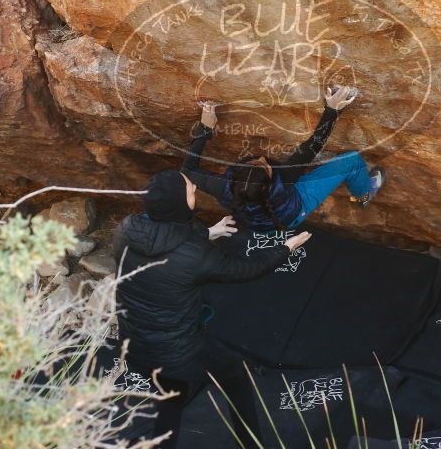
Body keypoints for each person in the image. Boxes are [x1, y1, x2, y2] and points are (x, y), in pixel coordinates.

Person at [113, 170, 311, 448]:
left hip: (134, 344)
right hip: (176, 353)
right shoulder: (194, 254)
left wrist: (209, 232)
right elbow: (244, 270)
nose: (195, 189)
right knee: (233, 374)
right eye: (191, 190)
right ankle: (250, 441)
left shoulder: (125, 230)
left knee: (171, 403)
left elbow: (167, 242)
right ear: (179, 203)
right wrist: (285, 248)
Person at [181, 86, 385, 231]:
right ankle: (365, 195)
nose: (261, 158)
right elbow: (313, 145)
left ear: (235, 176)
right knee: (351, 161)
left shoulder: (222, 186)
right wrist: (332, 110)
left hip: (258, 221)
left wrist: (205, 128)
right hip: (295, 209)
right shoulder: (285, 178)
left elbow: (187, 171)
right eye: (264, 165)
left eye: (255, 162)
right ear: (272, 180)